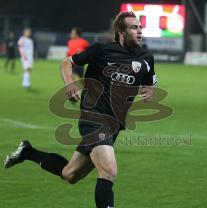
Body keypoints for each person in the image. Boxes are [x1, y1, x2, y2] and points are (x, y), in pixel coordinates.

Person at [4, 11, 157, 208]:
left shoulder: (146, 58)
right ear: (120, 31)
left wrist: (149, 90)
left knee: (71, 174)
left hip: (115, 125)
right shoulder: (101, 50)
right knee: (109, 171)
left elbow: (149, 80)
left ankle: (27, 152)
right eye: (134, 27)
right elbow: (67, 63)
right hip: (93, 117)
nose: (139, 32)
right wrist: (69, 84)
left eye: (140, 28)